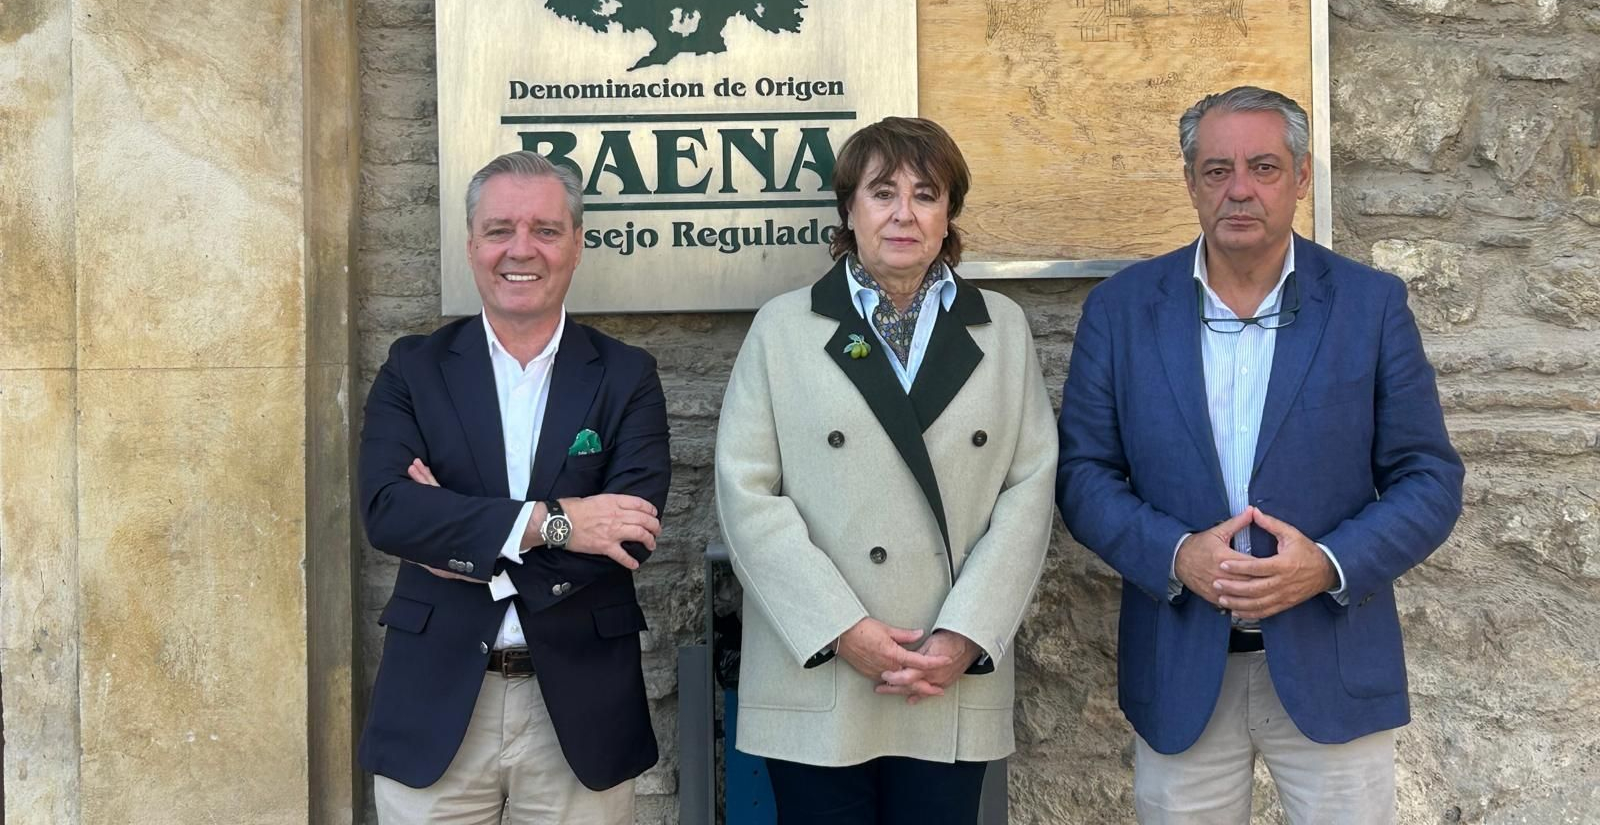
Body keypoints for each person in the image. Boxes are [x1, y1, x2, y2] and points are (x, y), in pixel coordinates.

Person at [1057, 86, 1464, 824]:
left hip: (1332, 663)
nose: (1239, 189)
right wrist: (1177, 553)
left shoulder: (1370, 307)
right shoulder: (1121, 311)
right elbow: (1084, 475)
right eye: (1216, 171)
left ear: (1301, 178)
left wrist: (1327, 564)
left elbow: (1429, 478)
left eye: (1263, 167)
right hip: (1183, 668)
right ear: (1190, 183)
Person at [715, 116, 1058, 825]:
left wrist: (966, 633)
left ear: (948, 213)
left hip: (945, 672)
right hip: (822, 667)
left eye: (926, 194)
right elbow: (747, 494)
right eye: (883, 192)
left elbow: (1028, 489)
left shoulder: (1001, 328)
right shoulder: (784, 328)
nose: (904, 213)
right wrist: (844, 630)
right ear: (849, 208)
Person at [358, 150, 669, 824]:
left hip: (579, 712)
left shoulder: (625, 376)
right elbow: (390, 513)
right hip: (435, 704)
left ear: (578, 245)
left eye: (545, 230)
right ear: (471, 246)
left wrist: (460, 535)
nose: (519, 249)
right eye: (499, 230)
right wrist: (557, 524)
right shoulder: (414, 369)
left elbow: (631, 534)